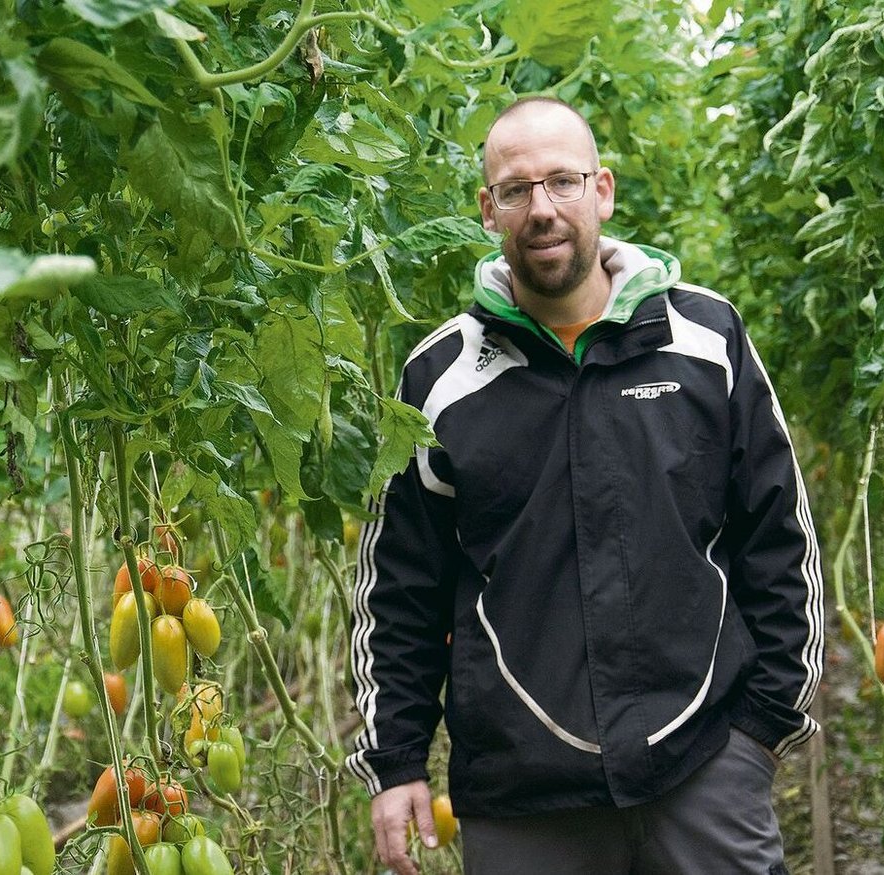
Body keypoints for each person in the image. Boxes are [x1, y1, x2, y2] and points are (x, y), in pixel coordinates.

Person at [346, 96, 822, 875]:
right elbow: (399, 590)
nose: (542, 209)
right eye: (515, 189)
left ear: (602, 190)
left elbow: (780, 536)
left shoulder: (705, 341)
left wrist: (763, 727)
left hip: (702, 766)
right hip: (522, 799)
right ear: (487, 209)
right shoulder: (439, 380)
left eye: (563, 182)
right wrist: (396, 759)